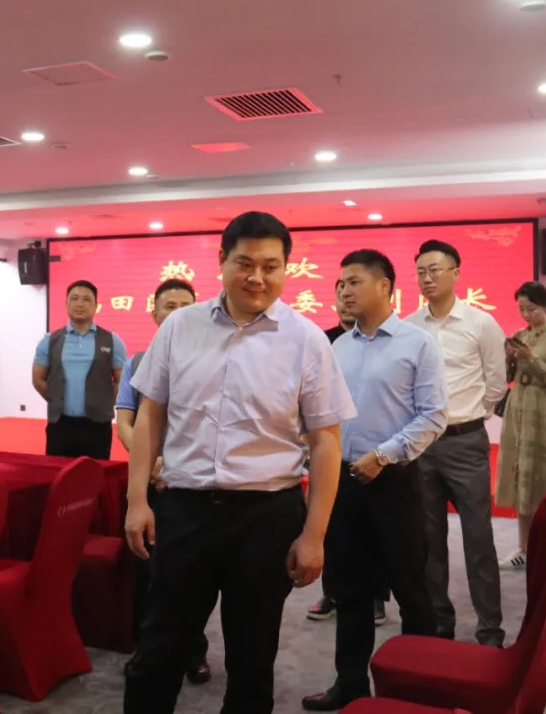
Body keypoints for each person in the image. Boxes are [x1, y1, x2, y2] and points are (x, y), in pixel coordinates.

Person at [123, 212, 356, 714]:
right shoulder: (180, 327)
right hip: (184, 510)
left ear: (286, 268)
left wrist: (314, 535)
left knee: (252, 661)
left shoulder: (307, 340)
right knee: (158, 649)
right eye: (245, 263)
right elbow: (150, 417)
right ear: (222, 261)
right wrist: (136, 499)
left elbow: (325, 443)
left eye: (271, 266)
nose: (257, 277)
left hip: (265, 518)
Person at [303, 249, 445, 711]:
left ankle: (417, 691)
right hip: (342, 483)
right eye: (340, 283)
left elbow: (434, 415)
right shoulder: (336, 348)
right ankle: (349, 685)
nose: (344, 291)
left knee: (411, 590)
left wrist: (383, 456)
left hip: (394, 483)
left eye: (354, 282)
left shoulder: (417, 343)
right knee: (349, 591)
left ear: (384, 286)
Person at [406, 239, 507, 646]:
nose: (427, 278)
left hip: (466, 443)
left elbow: (496, 382)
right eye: (421, 272)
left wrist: (471, 414)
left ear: (456, 273)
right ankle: (439, 623)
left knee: (479, 539)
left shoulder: (481, 323)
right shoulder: (409, 326)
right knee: (428, 542)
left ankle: (490, 629)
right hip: (423, 445)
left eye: (435, 270)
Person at [115, 278, 211, 685]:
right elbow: (126, 421)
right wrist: (151, 462)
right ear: (154, 313)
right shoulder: (137, 363)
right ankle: (147, 650)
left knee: (193, 575)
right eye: (169, 305)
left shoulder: (210, 360)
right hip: (149, 482)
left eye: (185, 305)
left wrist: (171, 463)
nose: (177, 312)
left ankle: (194, 651)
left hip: (191, 485)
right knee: (146, 572)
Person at [308, 280, 388, 626]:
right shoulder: (324, 341)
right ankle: (333, 592)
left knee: (373, 531)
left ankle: (377, 597)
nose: (345, 299)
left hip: (373, 450)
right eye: (339, 293)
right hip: (331, 447)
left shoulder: (380, 341)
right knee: (332, 527)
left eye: (352, 289)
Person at [495, 281, 546, 570]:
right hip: (517, 408)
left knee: (542, 477)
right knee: (520, 480)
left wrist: (533, 359)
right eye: (522, 309)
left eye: (532, 309)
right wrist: (509, 358)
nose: (526, 314)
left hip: (542, 411)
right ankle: (523, 549)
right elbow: (509, 378)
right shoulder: (520, 335)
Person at [32, 279, 127, 459]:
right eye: (74, 298)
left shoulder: (112, 340)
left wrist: (105, 402)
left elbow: (122, 380)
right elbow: (38, 379)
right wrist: (56, 399)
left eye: (86, 299)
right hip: (60, 424)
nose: (80, 304)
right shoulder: (50, 340)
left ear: (96, 305)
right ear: (66, 303)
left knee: (96, 472)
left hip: (98, 425)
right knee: (58, 472)